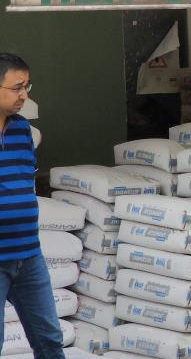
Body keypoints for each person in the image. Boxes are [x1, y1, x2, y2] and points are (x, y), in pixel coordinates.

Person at [0, 53, 66, 358]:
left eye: (27, 86)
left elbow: (28, 179)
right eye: (17, 87)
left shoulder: (22, 130)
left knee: (49, 339)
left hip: (28, 256)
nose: (25, 95)